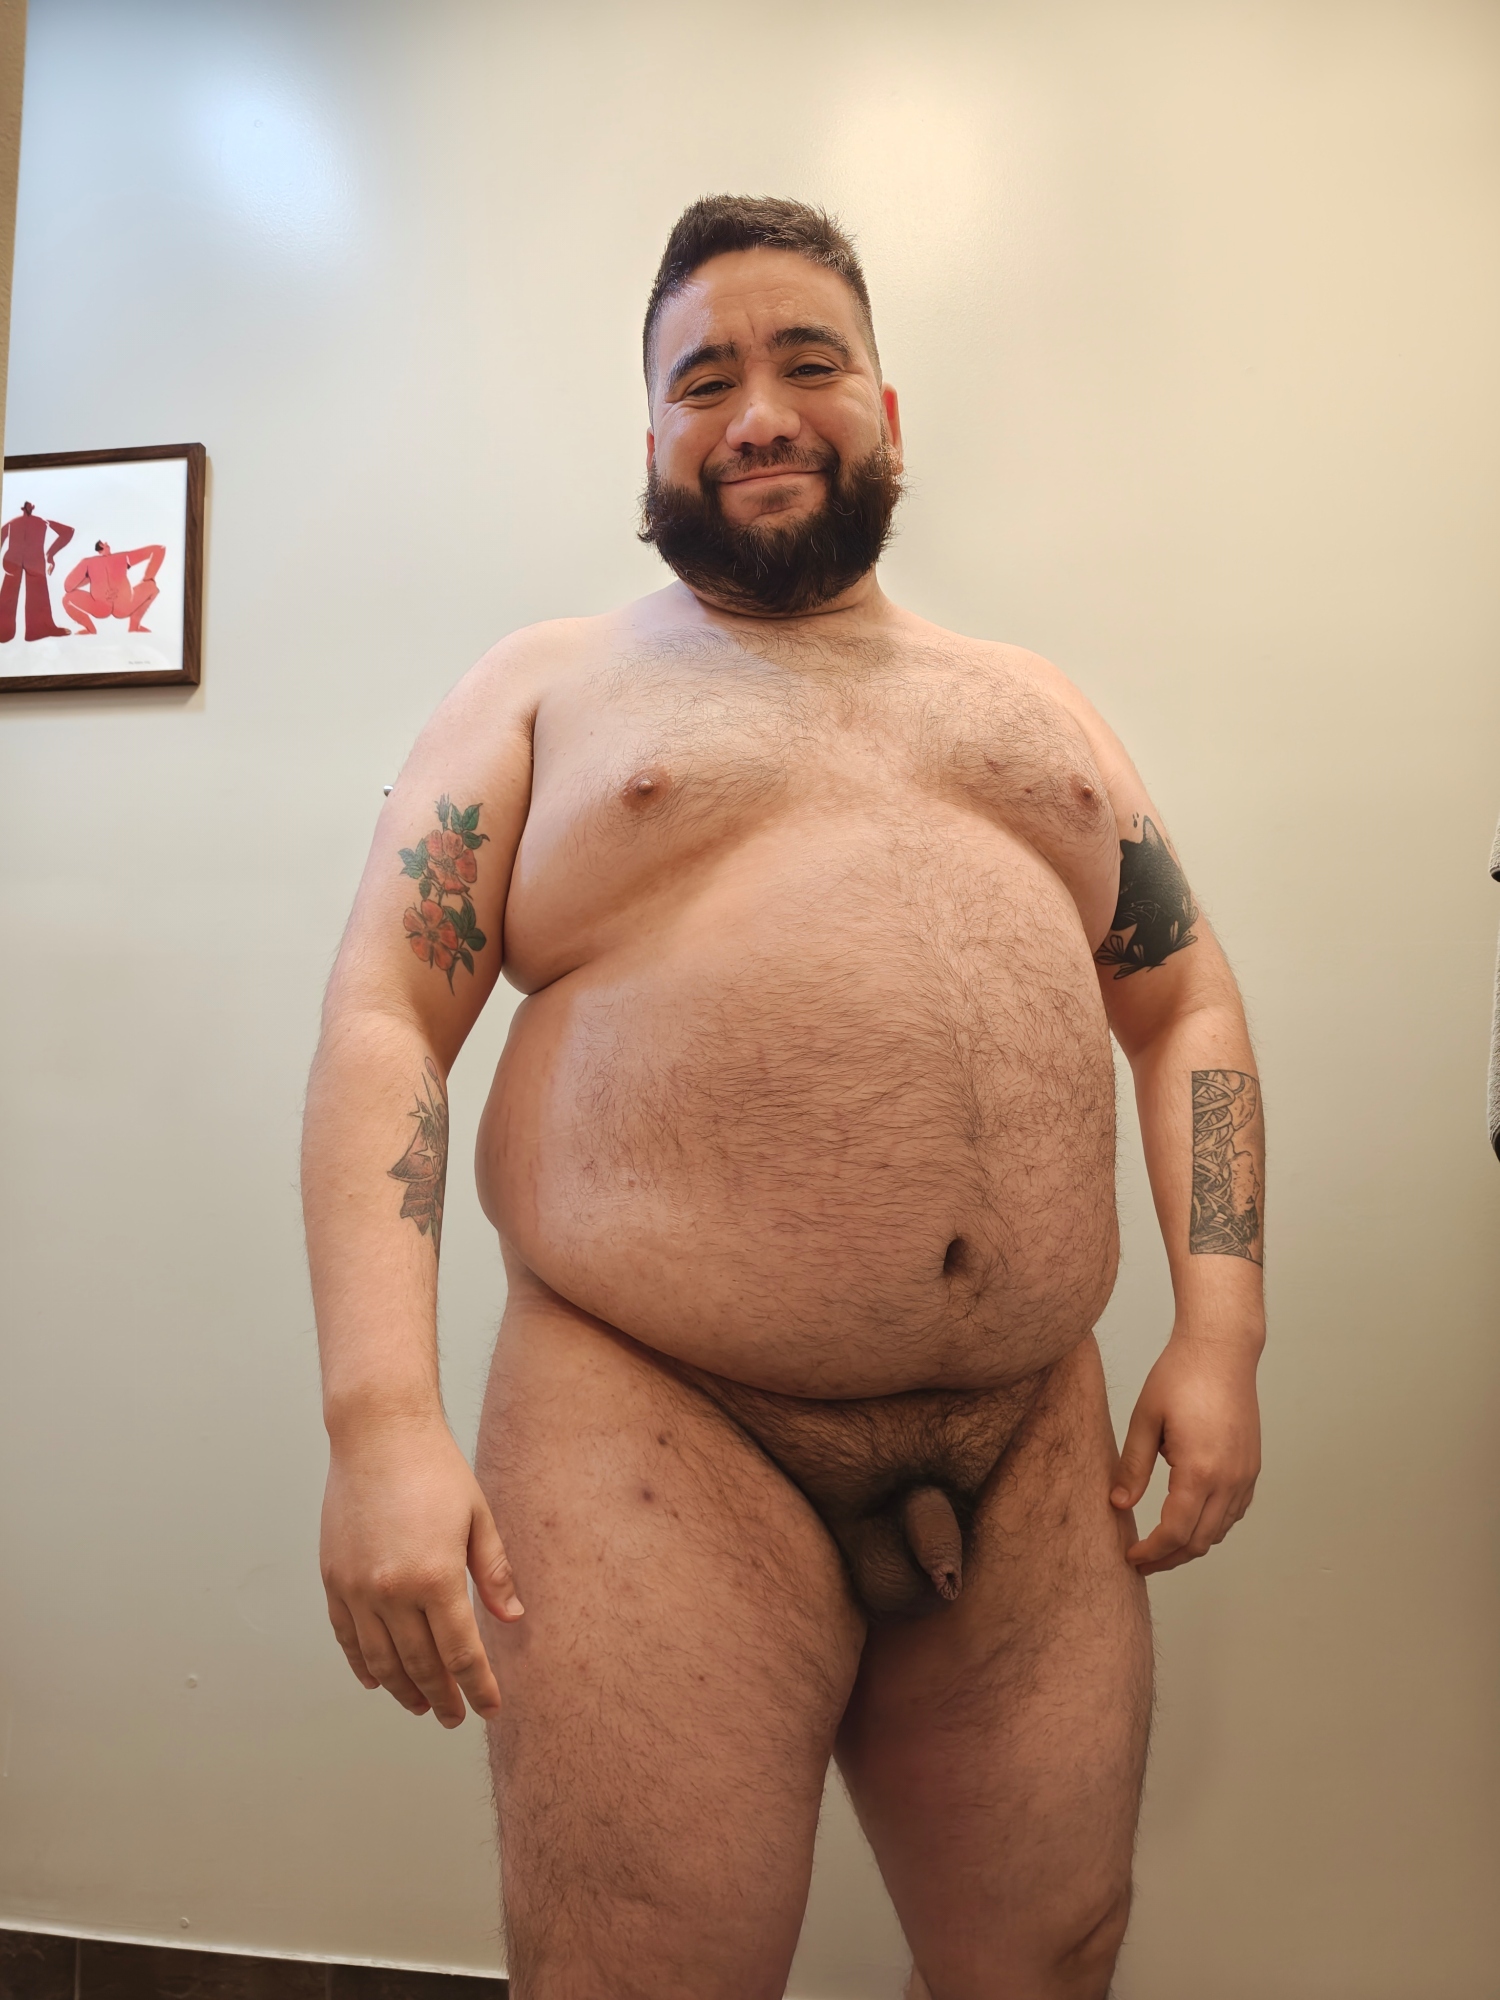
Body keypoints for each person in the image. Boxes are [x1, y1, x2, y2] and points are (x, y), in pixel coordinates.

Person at [303, 195, 1265, 2000]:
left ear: (881, 413)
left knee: (1055, 1955)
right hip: (660, 1428)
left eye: (807, 362)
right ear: (651, 440)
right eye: (704, 380)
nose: (758, 413)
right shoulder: (549, 690)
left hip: (1030, 1439)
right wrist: (381, 1423)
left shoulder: (1034, 704)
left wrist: (1224, 1328)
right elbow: (385, 1023)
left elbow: (1183, 996)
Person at [0, 499, 73, 641]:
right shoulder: (40, 522)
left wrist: (50, 554)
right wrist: (50, 554)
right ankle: (35, 629)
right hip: (26, 560)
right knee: (29, 592)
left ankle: (10, 630)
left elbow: (68, 531)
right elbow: (68, 532)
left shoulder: (15, 523)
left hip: (17, 559)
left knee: (13, 592)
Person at [61, 538, 165, 634]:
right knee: (152, 587)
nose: (106, 543)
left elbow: (68, 587)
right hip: (123, 606)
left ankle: (90, 629)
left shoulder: (87, 562)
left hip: (101, 607)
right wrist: (148, 578)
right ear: (101, 547)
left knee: (67, 598)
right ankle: (134, 626)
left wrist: (89, 577)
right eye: (104, 543)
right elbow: (159, 549)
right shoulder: (123, 557)